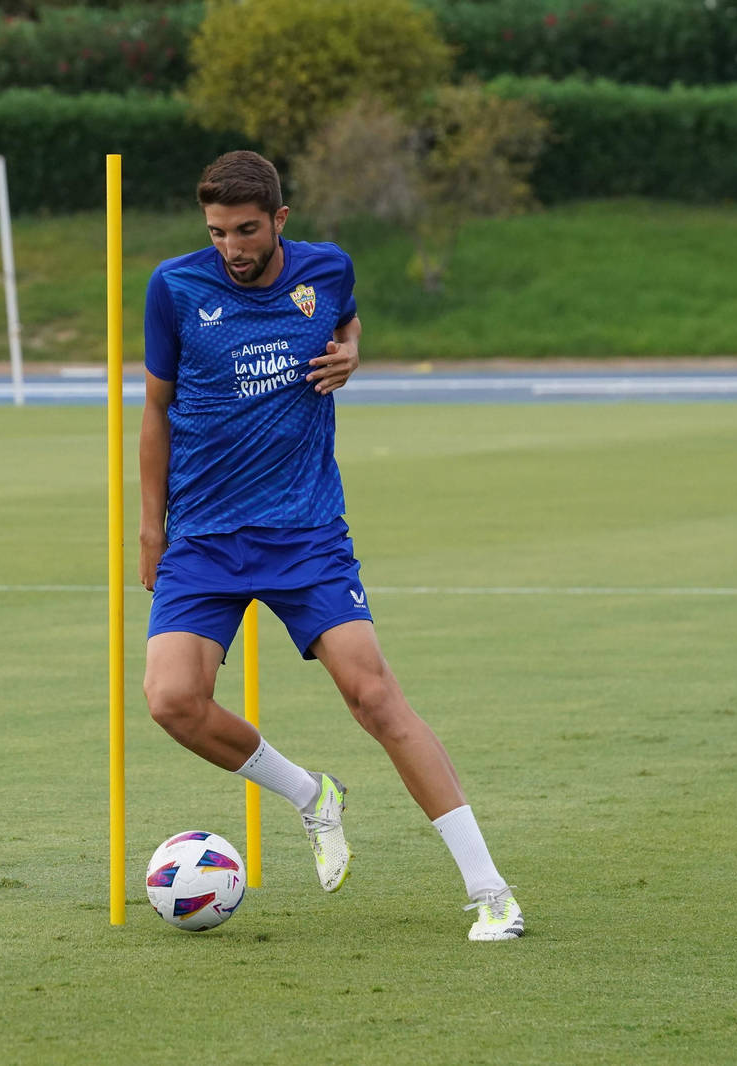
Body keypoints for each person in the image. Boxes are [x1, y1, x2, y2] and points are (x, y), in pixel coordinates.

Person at [139, 151, 524, 942]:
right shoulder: (174, 286)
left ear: (279, 220)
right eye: (216, 232)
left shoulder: (328, 269)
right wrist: (150, 526)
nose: (232, 248)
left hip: (306, 531)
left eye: (246, 230)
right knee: (172, 701)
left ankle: (491, 892)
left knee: (376, 697)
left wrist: (353, 350)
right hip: (203, 537)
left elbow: (343, 318)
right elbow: (155, 410)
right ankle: (312, 796)